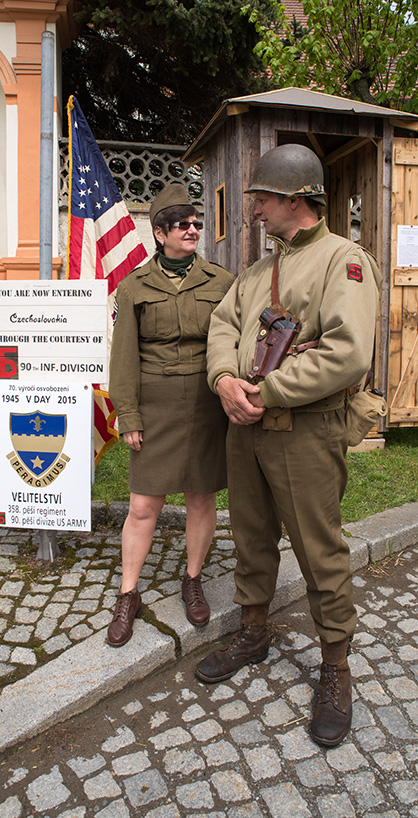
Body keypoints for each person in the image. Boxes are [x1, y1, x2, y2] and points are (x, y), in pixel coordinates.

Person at [195, 144, 381, 748]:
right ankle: (254, 631)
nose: (254, 210)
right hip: (245, 429)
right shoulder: (256, 273)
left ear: (296, 199)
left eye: (262, 199)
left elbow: (348, 352)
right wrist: (225, 379)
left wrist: (267, 390)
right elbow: (223, 325)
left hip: (304, 432)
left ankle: (336, 665)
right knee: (250, 537)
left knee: (319, 550)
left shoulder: (343, 260)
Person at [107, 183, 234, 647]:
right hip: (155, 406)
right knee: (144, 506)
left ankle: (192, 579)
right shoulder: (133, 286)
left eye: (196, 224)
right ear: (160, 233)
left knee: (201, 497)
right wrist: (129, 415)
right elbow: (123, 357)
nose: (193, 230)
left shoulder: (222, 282)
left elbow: (234, 342)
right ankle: (128, 593)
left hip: (206, 404)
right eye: (183, 225)